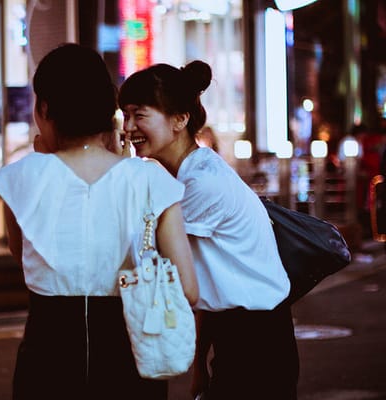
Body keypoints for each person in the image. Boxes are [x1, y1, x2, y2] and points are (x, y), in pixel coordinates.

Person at [0, 43, 199, 400]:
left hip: (47, 357)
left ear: (45, 108)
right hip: (131, 355)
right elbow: (188, 291)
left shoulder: (19, 178)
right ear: (108, 111)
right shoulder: (151, 181)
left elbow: (21, 253)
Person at [119, 61, 299, 400]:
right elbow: (202, 278)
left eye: (139, 115)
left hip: (257, 341)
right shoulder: (186, 174)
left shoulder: (201, 183)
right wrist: (201, 363)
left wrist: (114, 168)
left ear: (180, 119)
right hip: (236, 332)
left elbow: (144, 254)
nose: (128, 128)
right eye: (125, 115)